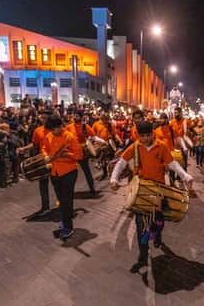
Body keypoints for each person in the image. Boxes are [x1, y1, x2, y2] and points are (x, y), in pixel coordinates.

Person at [110, 121, 193, 272]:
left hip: (159, 191)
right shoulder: (135, 146)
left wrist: (185, 176)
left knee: (158, 221)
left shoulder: (161, 146)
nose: (146, 138)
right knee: (141, 226)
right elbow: (121, 162)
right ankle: (142, 257)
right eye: (143, 136)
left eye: (148, 135)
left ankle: (157, 235)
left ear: (152, 134)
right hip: (141, 192)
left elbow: (173, 164)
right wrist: (114, 178)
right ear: (139, 135)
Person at [41, 115, 83, 241]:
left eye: (55, 129)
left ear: (60, 126)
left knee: (66, 200)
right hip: (55, 173)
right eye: (51, 130)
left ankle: (68, 227)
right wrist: (45, 156)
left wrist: (66, 154)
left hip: (69, 172)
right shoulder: (49, 136)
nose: (53, 132)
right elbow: (44, 148)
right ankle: (65, 219)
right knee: (61, 199)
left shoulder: (69, 137)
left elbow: (79, 155)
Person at [17, 111, 52, 215]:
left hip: (56, 160)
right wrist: (23, 148)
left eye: (45, 118)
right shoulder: (38, 130)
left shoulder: (55, 129)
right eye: (42, 118)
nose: (44, 120)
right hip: (43, 160)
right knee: (43, 185)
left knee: (58, 184)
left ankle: (63, 204)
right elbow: (34, 143)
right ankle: (45, 207)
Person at [67, 113, 97, 196]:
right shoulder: (69, 127)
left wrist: (90, 142)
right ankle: (70, 191)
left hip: (82, 153)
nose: (76, 117)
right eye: (75, 115)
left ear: (81, 117)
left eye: (77, 115)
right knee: (72, 174)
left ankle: (92, 188)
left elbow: (93, 136)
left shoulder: (85, 127)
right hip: (72, 153)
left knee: (87, 171)